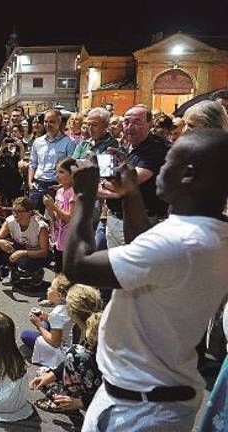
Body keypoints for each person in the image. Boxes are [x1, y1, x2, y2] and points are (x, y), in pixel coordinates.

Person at [63, 130, 228, 431]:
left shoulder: (180, 241)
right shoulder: (207, 233)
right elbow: (143, 253)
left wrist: (85, 195)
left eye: (168, 162)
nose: (160, 169)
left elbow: (78, 267)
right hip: (147, 396)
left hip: (139, 410)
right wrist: (131, 195)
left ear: (188, 174)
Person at [99, 106, 169, 248]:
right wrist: (110, 186)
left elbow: (127, 184)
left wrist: (108, 185)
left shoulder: (156, 148)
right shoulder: (120, 146)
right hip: (113, 218)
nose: (130, 127)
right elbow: (101, 180)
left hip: (139, 222)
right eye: (126, 122)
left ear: (150, 124)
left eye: (137, 122)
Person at [29, 284, 104, 414]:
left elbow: (115, 383)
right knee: (43, 373)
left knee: (75, 353)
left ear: (71, 311)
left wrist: (81, 402)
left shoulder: (103, 336)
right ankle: (66, 396)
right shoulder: (79, 328)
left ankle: (69, 400)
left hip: (109, 393)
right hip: (90, 377)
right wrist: (51, 376)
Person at [0, 196, 50, 289]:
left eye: (20, 211)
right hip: (21, 247)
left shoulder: (40, 226)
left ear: (29, 212)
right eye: (14, 211)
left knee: (25, 262)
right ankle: (13, 272)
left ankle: (37, 272)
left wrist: (22, 253)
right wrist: (1, 242)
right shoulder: (10, 221)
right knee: (2, 245)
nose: (16, 214)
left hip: (38, 254)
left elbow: (44, 252)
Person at [20, 274, 74, 368]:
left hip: (62, 349)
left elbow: (55, 342)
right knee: (46, 325)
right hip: (70, 338)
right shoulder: (70, 305)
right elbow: (62, 322)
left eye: (51, 288)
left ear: (59, 295)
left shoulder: (57, 313)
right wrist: (46, 317)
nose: (48, 289)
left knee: (25, 335)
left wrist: (38, 325)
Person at [28, 109, 77, 213]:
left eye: (52, 122)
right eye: (46, 121)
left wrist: (63, 184)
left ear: (59, 123)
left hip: (55, 186)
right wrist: (30, 181)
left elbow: (72, 167)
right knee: (36, 219)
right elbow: (33, 163)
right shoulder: (37, 142)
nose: (47, 124)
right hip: (37, 185)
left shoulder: (69, 142)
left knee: (54, 219)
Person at [43, 158, 77, 273]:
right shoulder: (60, 191)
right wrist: (49, 207)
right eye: (57, 172)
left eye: (62, 172)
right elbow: (55, 216)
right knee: (59, 271)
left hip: (71, 240)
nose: (58, 176)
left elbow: (69, 218)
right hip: (59, 238)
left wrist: (53, 207)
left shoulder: (75, 192)